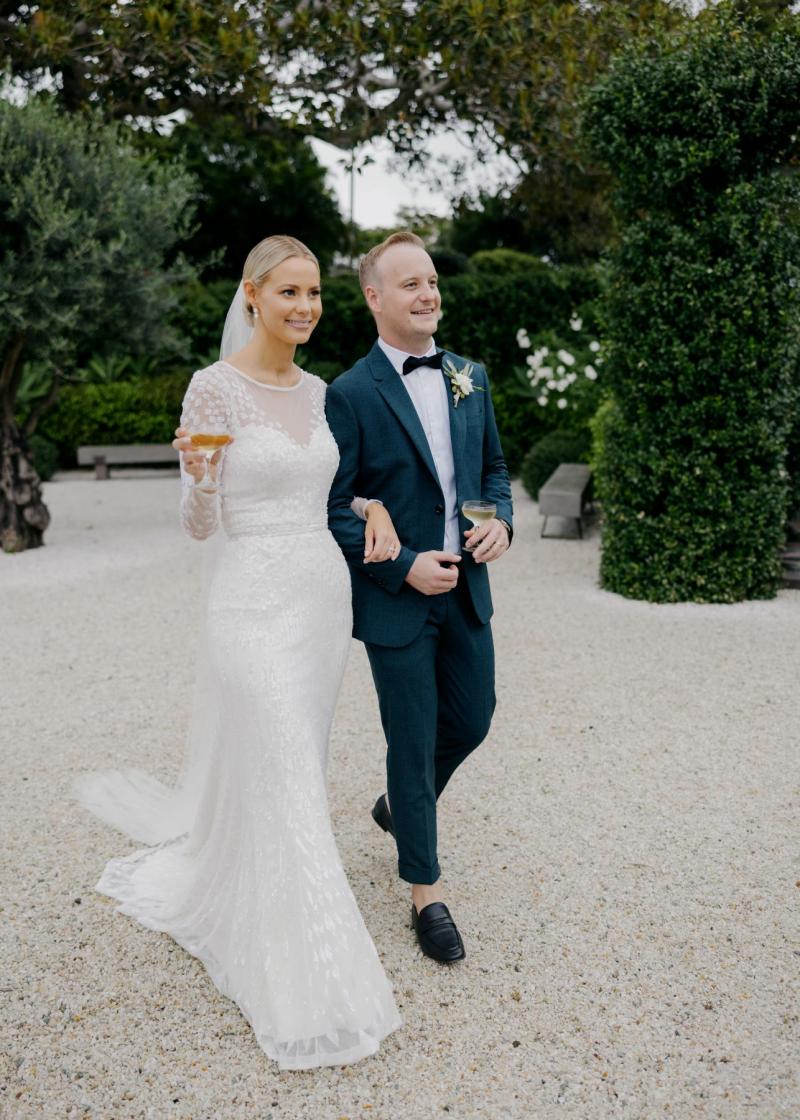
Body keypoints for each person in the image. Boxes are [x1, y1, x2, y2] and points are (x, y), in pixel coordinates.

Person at [74, 235, 402, 1069]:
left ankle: (262, 880)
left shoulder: (322, 390)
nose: (304, 308)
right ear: (251, 295)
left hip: (320, 600)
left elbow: (326, 483)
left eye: (314, 294)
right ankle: (307, 966)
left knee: (297, 761)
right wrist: (200, 476)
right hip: (248, 602)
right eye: (288, 293)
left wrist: (369, 507)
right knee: (285, 759)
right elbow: (196, 526)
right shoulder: (212, 389)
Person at [326, 231, 513, 963]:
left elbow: (494, 471)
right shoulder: (348, 393)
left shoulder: (472, 376)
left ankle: (397, 809)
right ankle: (425, 893)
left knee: (473, 719)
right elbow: (335, 507)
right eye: (410, 284)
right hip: (397, 600)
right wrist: (401, 564)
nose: (428, 293)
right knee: (411, 737)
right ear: (374, 297)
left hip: (467, 591)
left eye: (431, 280)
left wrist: (498, 523)